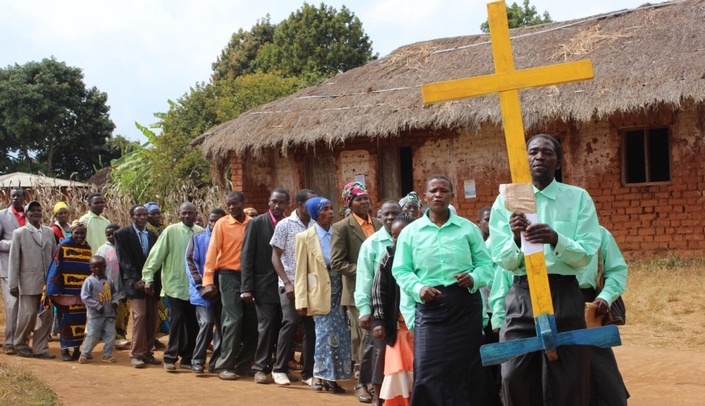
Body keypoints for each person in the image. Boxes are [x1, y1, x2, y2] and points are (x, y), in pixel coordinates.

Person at [489, 134, 601, 406]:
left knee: (568, 377)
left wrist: (556, 239)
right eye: (533, 152)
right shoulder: (507, 199)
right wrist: (516, 239)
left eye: (547, 152)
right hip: (522, 295)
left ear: (559, 161)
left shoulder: (578, 198)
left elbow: (586, 254)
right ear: (524, 159)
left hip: (564, 294)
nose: (539, 156)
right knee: (513, 375)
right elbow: (501, 259)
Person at [392, 174, 494, 406]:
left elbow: (486, 265)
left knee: (467, 369)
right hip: (430, 307)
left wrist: (475, 277)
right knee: (428, 368)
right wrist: (419, 289)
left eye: (444, 190)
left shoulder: (467, 229)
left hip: (465, 306)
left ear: (451, 196)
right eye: (433, 191)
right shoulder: (411, 232)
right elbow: (401, 271)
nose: (438, 194)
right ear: (425, 197)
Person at [330, 181, 382, 403]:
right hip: (356, 291)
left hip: (382, 291)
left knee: (379, 336)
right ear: (349, 203)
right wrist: (365, 270)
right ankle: (362, 383)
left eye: (366, 198)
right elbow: (337, 263)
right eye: (359, 199)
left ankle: (376, 382)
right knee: (363, 337)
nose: (364, 202)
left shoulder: (380, 223)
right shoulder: (341, 227)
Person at [295, 197, 351, 394]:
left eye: (330, 208)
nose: (330, 212)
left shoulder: (339, 232)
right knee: (324, 335)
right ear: (315, 214)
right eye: (325, 209)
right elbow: (301, 271)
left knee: (341, 336)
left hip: (341, 289)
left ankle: (331, 378)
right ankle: (319, 375)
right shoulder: (304, 238)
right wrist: (301, 300)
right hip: (319, 292)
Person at [142, 202, 203, 372]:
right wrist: (148, 277)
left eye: (190, 213)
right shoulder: (171, 231)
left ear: (195, 213)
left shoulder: (200, 232)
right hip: (174, 285)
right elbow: (156, 255)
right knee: (176, 321)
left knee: (193, 324)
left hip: (195, 287)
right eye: (184, 213)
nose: (187, 216)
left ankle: (188, 357)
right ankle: (170, 357)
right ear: (179, 214)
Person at [241, 188, 290, 384]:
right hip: (264, 285)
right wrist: (246, 287)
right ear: (269, 202)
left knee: (284, 326)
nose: (277, 206)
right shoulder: (257, 223)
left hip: (287, 286)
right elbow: (246, 256)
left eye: (281, 202)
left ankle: (280, 367)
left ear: (287, 204)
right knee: (267, 326)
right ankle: (260, 367)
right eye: (274, 202)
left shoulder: (289, 224)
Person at [202, 191, 252, 380]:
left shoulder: (252, 223)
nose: (231, 207)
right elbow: (212, 253)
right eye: (228, 204)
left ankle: (244, 362)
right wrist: (207, 281)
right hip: (228, 275)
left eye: (235, 204)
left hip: (249, 277)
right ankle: (225, 365)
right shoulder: (222, 224)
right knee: (233, 319)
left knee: (252, 320)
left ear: (243, 203)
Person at [355, 200, 401, 405]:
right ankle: (375, 392)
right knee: (378, 349)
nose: (390, 218)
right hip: (380, 304)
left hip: (405, 304)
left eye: (395, 213)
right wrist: (365, 310)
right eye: (386, 214)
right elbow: (364, 279)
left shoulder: (410, 238)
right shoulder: (371, 244)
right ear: (379, 216)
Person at [578, 226, 630, 406]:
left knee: (600, 367)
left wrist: (605, 297)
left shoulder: (599, 233)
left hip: (590, 305)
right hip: (551, 303)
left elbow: (616, 270)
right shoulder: (540, 231)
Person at [270, 189, 317, 386]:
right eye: (311, 204)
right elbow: (275, 256)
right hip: (290, 284)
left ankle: (308, 372)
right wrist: (287, 282)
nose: (315, 207)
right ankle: (279, 368)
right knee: (289, 323)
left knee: (310, 327)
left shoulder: (317, 224)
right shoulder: (285, 225)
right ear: (299, 205)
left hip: (312, 285)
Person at [372, 214, 415, 406]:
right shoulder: (389, 256)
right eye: (394, 235)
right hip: (398, 327)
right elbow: (379, 290)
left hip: (422, 325)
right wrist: (380, 321)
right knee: (399, 371)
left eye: (402, 234)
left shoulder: (422, 254)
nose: (398, 239)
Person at [7, 200, 56, 359]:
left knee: (46, 315)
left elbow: (55, 257)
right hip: (27, 282)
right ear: (27, 214)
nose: (36, 212)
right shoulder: (19, 233)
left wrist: (55, 281)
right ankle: (20, 343)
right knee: (27, 315)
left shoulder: (48, 232)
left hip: (47, 284)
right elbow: (14, 260)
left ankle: (40, 348)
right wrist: (13, 284)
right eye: (32, 210)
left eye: (38, 209)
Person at [113, 205, 160, 368]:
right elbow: (124, 260)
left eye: (144, 214)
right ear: (132, 217)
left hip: (151, 283)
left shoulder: (152, 235)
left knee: (152, 318)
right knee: (139, 316)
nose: (142, 217)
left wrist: (151, 280)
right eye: (138, 215)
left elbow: (156, 259)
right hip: (134, 283)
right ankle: (136, 353)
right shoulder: (122, 234)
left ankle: (148, 352)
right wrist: (136, 280)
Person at [44, 220, 93, 361]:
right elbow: (56, 266)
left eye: (82, 233)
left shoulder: (87, 248)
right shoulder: (63, 246)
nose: (80, 235)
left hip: (82, 293)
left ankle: (77, 349)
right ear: (72, 233)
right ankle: (65, 350)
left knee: (80, 321)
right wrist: (53, 289)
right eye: (77, 233)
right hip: (65, 292)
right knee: (66, 321)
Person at [185, 208, 226, 374]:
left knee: (223, 327)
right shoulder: (198, 238)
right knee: (207, 323)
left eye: (218, 221)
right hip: (203, 291)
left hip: (223, 291)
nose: (214, 224)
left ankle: (215, 362)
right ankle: (198, 360)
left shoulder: (228, 238)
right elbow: (191, 262)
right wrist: (201, 285)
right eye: (211, 221)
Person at [79, 256, 119, 364]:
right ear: (90, 268)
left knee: (110, 335)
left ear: (104, 267)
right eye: (94, 267)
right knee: (93, 335)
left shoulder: (109, 280)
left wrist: (115, 302)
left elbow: (115, 293)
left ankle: (107, 355)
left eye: (100, 267)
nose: (97, 269)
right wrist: (97, 306)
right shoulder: (89, 281)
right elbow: (85, 297)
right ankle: (84, 353)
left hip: (109, 314)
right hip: (95, 315)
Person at [96, 223, 130, 349]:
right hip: (109, 286)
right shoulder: (103, 249)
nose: (111, 237)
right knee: (111, 313)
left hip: (125, 286)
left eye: (113, 234)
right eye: (108, 235)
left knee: (123, 312)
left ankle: (121, 336)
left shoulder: (126, 247)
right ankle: (111, 338)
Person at [0, 187, 26, 355]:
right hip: (8, 267)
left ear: (24, 197)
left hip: (27, 268)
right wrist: (15, 244)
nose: (15, 198)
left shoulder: (30, 213)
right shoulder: (2, 215)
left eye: (18, 196)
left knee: (25, 307)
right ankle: (9, 342)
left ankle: (21, 341)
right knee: (12, 305)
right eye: (13, 196)